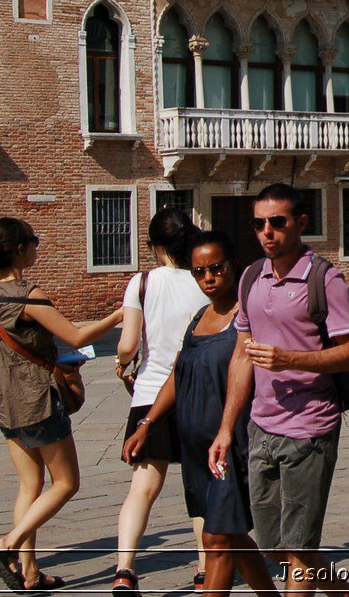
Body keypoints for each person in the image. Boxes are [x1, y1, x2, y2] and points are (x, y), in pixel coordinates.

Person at [210, 185, 349, 595]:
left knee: (298, 548)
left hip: (310, 429)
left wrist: (290, 359)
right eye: (259, 223)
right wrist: (227, 428)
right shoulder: (250, 278)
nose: (267, 231)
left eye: (277, 222)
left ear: (300, 223)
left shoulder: (325, 279)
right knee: (273, 545)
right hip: (261, 427)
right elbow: (243, 356)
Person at [122, 233, 277, 597]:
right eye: (199, 272)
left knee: (216, 538)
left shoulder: (248, 314)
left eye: (216, 268)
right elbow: (178, 375)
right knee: (232, 536)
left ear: (232, 265)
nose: (209, 277)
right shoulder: (198, 318)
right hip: (196, 452)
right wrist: (147, 423)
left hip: (230, 446)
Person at [0, 219, 123, 594]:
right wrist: (119, 315)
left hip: (4, 404)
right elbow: (76, 334)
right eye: (35, 241)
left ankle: (29, 573)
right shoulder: (26, 294)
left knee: (29, 487)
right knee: (66, 483)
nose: (38, 248)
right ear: (20, 249)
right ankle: (8, 544)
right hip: (38, 401)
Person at [111, 209, 209, 596]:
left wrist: (122, 364)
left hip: (151, 395)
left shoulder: (143, 282)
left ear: (156, 246)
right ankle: (204, 572)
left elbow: (127, 345)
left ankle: (124, 570)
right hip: (197, 394)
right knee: (200, 487)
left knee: (142, 488)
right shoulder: (205, 280)